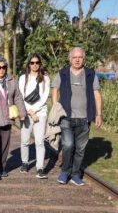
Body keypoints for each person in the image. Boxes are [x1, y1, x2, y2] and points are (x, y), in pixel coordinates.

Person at [52, 47, 102, 186]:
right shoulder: (62, 73)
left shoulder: (91, 74)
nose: (77, 59)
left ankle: (75, 174)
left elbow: (97, 94)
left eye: (80, 57)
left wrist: (99, 114)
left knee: (80, 149)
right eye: (75, 57)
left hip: (85, 118)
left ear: (83, 59)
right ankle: (64, 172)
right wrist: (56, 107)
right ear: (70, 59)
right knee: (68, 145)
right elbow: (55, 89)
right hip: (66, 117)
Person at [18, 53, 50, 179]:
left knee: (39, 141)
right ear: (28, 64)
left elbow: (44, 96)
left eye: (37, 62)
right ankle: (25, 163)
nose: (35, 65)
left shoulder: (45, 78)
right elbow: (20, 96)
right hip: (26, 113)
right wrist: (30, 112)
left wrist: (35, 111)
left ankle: (40, 167)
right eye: (32, 63)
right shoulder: (22, 78)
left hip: (40, 113)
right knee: (25, 140)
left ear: (40, 64)